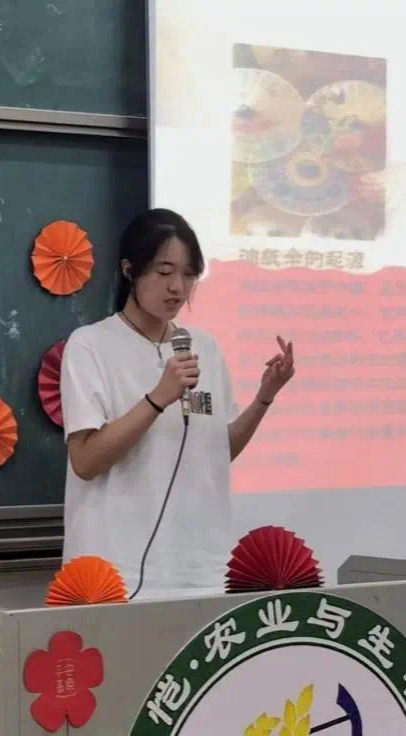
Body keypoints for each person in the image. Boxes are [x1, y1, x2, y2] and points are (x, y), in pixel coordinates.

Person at [59, 208, 295, 598]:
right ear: (129, 270)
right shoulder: (90, 345)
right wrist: (157, 399)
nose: (177, 288)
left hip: (201, 567)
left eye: (188, 275)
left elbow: (218, 452)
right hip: (114, 570)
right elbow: (85, 461)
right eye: (164, 272)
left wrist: (264, 397)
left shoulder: (204, 347)